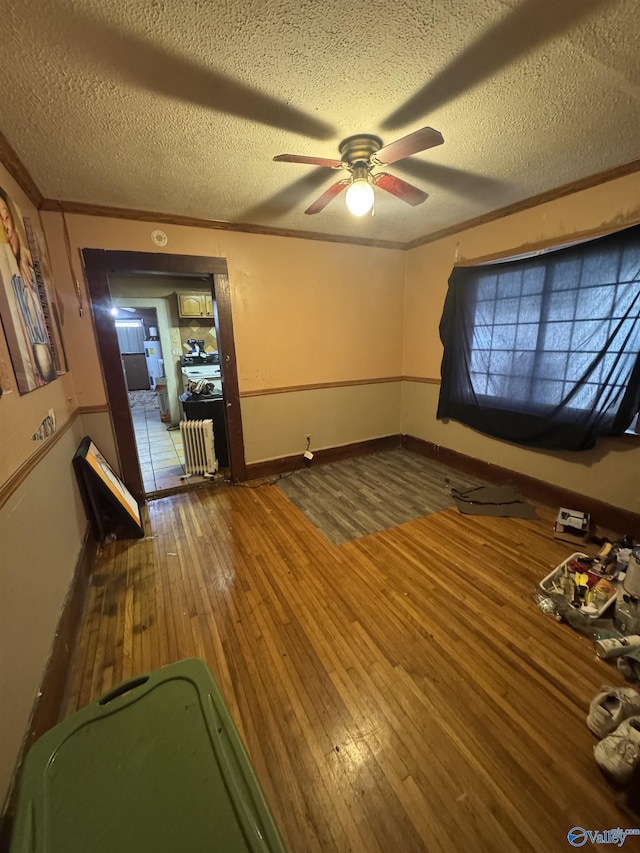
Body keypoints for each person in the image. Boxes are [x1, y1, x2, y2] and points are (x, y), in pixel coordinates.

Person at [0, 188, 56, 387]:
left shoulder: (25, 258)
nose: (5, 225)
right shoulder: (7, 260)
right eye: (1, 219)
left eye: (7, 217)